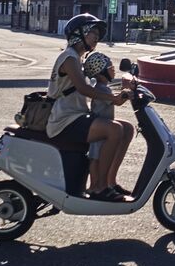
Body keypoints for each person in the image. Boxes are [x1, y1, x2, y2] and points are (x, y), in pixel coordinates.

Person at [46, 13, 134, 201]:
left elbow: (100, 78)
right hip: (64, 120)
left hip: (77, 116)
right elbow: (83, 88)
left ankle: (110, 183)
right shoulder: (69, 58)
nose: (96, 37)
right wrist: (114, 99)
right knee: (114, 130)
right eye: (91, 32)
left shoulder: (77, 58)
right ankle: (98, 188)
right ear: (79, 34)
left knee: (127, 128)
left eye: (96, 33)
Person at [82, 51, 136, 196]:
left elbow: (116, 99)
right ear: (101, 72)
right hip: (100, 131)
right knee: (95, 159)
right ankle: (95, 186)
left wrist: (126, 91)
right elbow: (117, 101)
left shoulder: (103, 88)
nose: (113, 69)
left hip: (103, 127)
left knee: (97, 157)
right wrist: (126, 92)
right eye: (110, 66)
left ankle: (108, 183)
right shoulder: (101, 89)